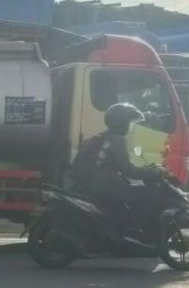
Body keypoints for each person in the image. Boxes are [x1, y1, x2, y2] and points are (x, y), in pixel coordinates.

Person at [69, 102, 162, 238]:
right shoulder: (117, 140)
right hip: (104, 186)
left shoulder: (104, 136)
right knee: (146, 194)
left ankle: (122, 231)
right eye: (130, 122)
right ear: (122, 122)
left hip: (92, 184)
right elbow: (128, 170)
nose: (131, 126)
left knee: (128, 193)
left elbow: (117, 166)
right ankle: (133, 231)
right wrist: (154, 172)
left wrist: (144, 170)